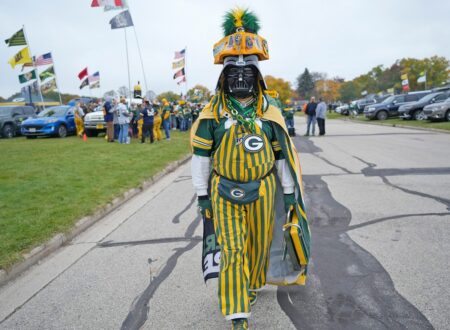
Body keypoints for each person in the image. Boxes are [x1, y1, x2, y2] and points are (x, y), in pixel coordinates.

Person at [190, 8, 310, 330]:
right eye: (232, 74)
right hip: (223, 190)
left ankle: (252, 285)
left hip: (264, 189)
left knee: (257, 246)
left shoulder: (269, 111)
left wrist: (288, 192)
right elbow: (200, 159)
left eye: (246, 73)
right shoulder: (211, 114)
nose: (240, 78)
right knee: (232, 250)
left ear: (258, 77)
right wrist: (202, 196)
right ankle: (237, 312)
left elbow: (282, 155)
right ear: (223, 78)